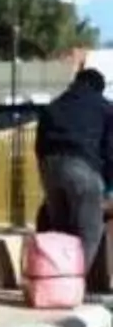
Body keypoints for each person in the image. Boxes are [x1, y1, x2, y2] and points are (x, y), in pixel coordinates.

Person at [33, 57, 113, 282]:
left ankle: (54, 281)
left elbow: (39, 144)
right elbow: (110, 151)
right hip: (83, 167)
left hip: (49, 166)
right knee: (89, 229)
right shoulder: (105, 108)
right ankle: (72, 283)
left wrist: (45, 171)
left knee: (61, 231)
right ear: (99, 87)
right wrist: (108, 186)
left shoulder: (54, 106)